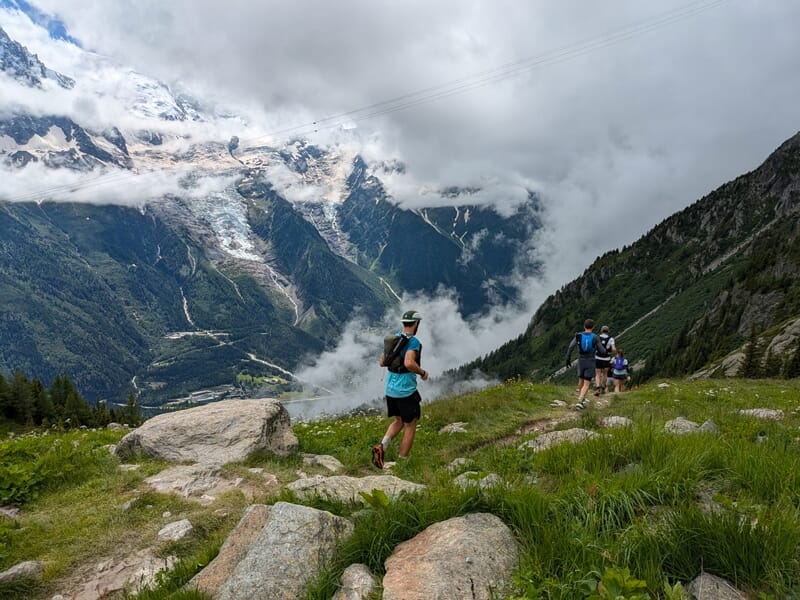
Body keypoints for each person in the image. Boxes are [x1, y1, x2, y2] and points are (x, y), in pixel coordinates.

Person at [372, 310, 429, 469]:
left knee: (398, 420)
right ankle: (402, 462)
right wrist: (422, 373)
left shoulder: (394, 339)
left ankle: (381, 447)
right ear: (416, 323)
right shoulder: (413, 342)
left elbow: (382, 362)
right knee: (410, 424)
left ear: (404, 323)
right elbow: (409, 363)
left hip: (390, 388)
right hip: (405, 390)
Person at [565, 319, 601, 410]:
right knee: (586, 383)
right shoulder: (595, 337)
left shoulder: (578, 335)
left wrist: (568, 359)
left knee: (581, 380)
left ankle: (582, 399)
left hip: (581, 361)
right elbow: (602, 350)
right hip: (590, 360)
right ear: (593, 327)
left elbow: (570, 347)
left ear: (584, 326)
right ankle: (580, 401)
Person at [594, 325, 616, 397]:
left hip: (598, 357)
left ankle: (597, 388)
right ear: (608, 331)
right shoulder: (611, 339)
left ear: (601, 331)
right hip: (606, 358)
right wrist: (612, 352)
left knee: (597, 374)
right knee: (605, 374)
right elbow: (613, 349)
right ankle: (603, 388)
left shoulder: (597, 337)